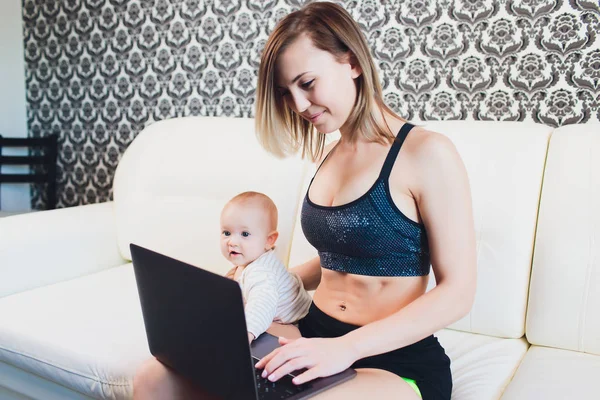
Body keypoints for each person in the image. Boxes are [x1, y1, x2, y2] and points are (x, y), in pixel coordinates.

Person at [133, 2, 476, 399]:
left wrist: (346, 349)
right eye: (285, 92)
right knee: (153, 378)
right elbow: (341, 254)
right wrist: (262, 279)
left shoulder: (427, 153)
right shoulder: (329, 154)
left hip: (394, 358)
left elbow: (459, 291)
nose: (297, 105)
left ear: (351, 62)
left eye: (307, 83)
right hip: (312, 331)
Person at [220, 191, 312, 344]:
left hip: (295, 326)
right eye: (227, 233)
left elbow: (260, 308)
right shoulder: (247, 262)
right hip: (276, 318)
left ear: (269, 240)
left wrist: (241, 339)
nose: (232, 241)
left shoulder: (261, 273)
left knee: (241, 325)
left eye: (245, 234)